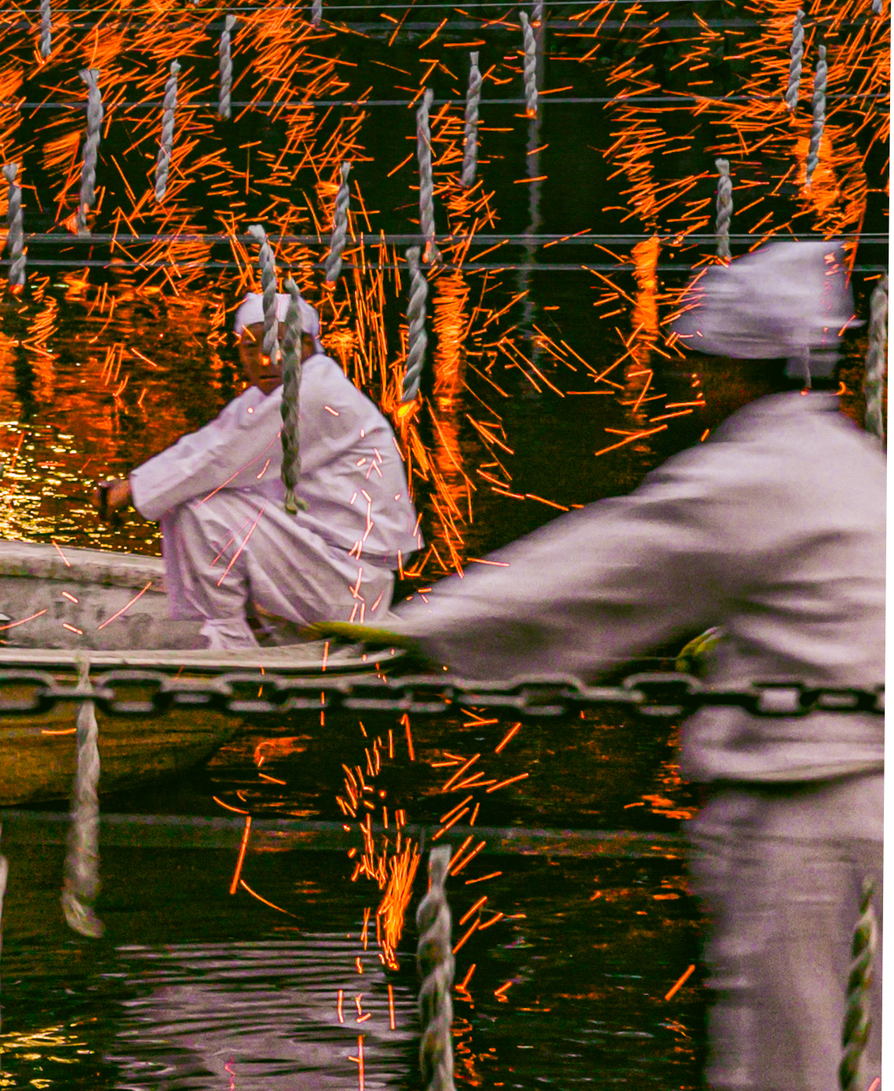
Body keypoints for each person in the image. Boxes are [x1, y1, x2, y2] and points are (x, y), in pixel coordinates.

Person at [332, 243, 882, 1091]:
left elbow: (602, 567)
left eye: (706, 361)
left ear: (739, 368)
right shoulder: (854, 462)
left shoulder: (752, 471)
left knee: (790, 1064)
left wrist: (417, 629)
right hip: (867, 795)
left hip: (808, 822)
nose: (697, 378)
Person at [88, 290, 417, 650]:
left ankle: (231, 642)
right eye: (250, 347)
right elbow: (207, 444)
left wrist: (132, 491)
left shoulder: (316, 392)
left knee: (200, 504)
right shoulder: (268, 397)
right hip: (327, 568)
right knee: (195, 494)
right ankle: (256, 625)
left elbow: (220, 463)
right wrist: (133, 482)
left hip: (349, 585)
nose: (264, 359)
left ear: (306, 345)